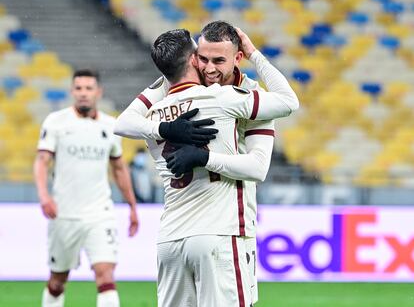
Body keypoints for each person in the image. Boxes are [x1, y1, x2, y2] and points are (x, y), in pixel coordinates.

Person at [115, 21, 296, 305]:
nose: (210, 68)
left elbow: (123, 122)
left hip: (170, 239)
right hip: (221, 233)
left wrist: (165, 130)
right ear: (192, 59)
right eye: (203, 58)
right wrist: (255, 53)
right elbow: (288, 102)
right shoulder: (232, 97)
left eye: (218, 60)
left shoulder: (155, 110)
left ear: (237, 57)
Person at [34, 69, 139, 307]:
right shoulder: (56, 122)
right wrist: (43, 196)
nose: (83, 93)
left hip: (100, 213)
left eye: (88, 88)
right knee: (58, 280)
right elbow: (42, 161)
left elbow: (120, 168)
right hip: (64, 214)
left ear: (98, 92)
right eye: (79, 88)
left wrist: (132, 206)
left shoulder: (111, 126)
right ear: (72, 91)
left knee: (105, 275)